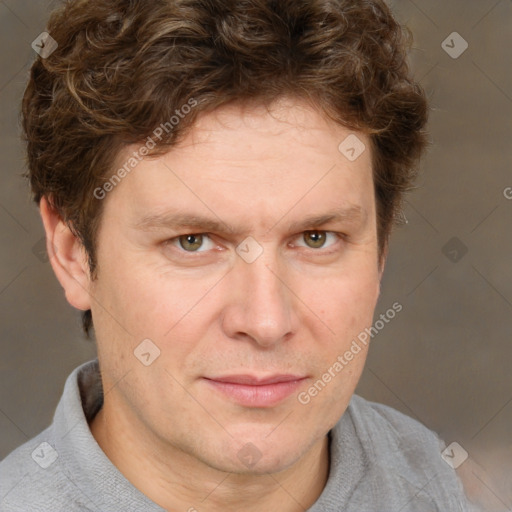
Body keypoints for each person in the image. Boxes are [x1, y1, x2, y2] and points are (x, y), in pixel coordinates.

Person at [0, 0, 476, 510]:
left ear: (380, 250)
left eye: (317, 237)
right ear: (73, 255)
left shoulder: (431, 481)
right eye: (193, 242)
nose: (266, 321)